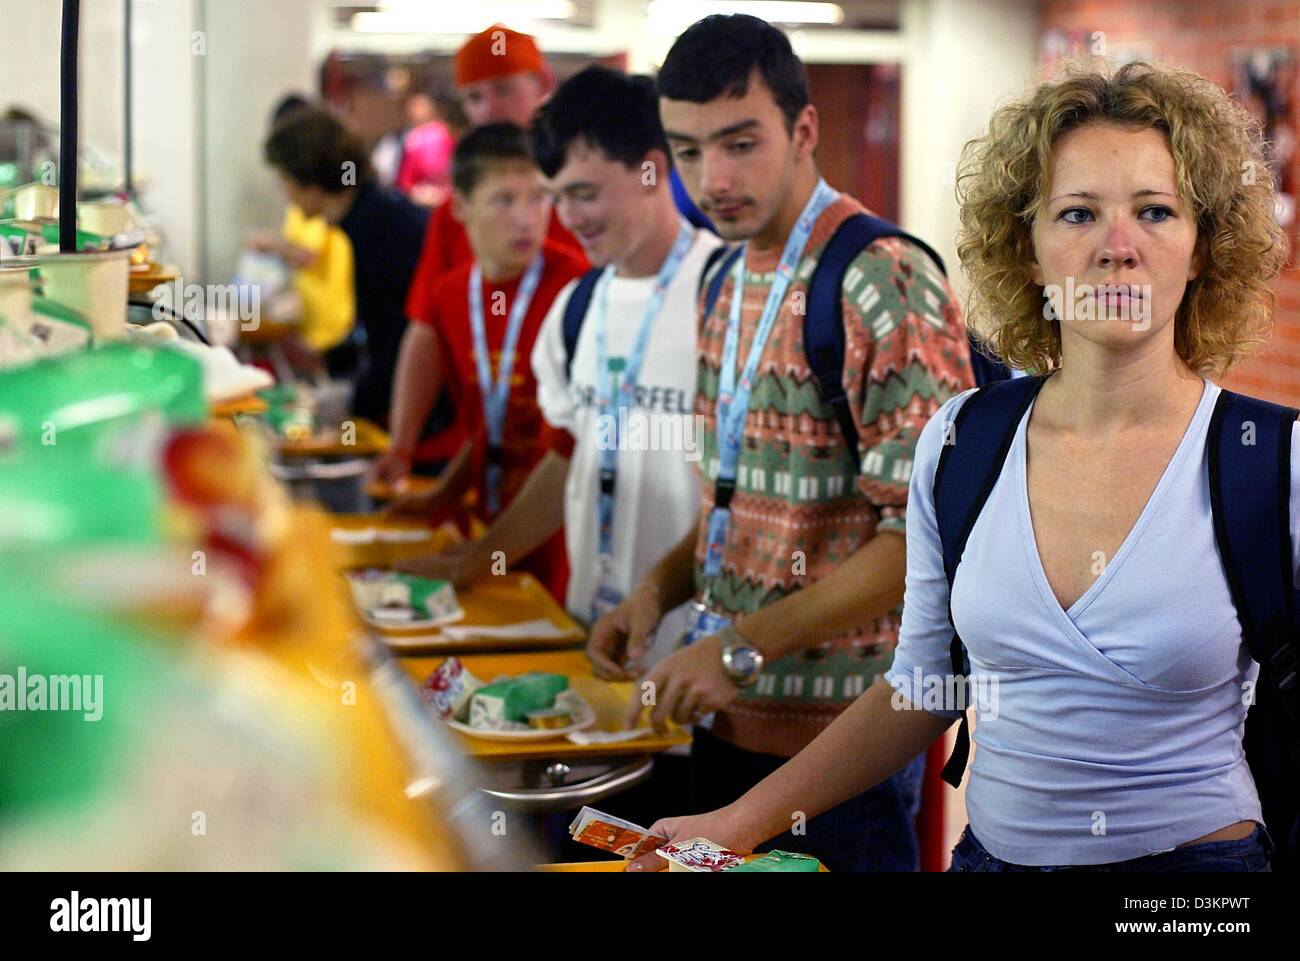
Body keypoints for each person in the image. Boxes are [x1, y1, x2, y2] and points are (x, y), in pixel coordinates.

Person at [629, 59, 1293, 874]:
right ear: (1030, 250)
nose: (1118, 247)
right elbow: (920, 688)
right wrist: (740, 820)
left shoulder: (1272, 462)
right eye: (1078, 213)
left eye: (1155, 211)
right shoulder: (963, 440)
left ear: (1201, 247)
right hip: (984, 861)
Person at [588, 15, 974, 872]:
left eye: (739, 143)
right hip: (729, 726)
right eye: (687, 151)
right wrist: (656, 590)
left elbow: (924, 540)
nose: (712, 178)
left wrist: (742, 644)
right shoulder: (725, 278)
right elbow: (737, 500)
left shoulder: (885, 278)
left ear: (804, 131)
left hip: (845, 752)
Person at [407, 65, 719, 634]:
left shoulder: (728, 295)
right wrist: (476, 559)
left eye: (585, 193)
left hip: (700, 657)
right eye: (558, 197)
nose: (569, 219)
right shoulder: (577, 307)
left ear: (652, 169)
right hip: (589, 632)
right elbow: (565, 456)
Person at [373, 24, 587, 489]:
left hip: (567, 453)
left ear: (543, 86)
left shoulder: (583, 194)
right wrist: (402, 443)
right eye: (473, 98)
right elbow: (425, 328)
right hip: (479, 449)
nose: (488, 109)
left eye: (502, 90)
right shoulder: (456, 211)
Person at [392, 123, 587, 602]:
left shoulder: (578, 287)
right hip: (487, 529)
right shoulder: (452, 295)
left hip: (562, 538)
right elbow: (487, 418)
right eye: (504, 200)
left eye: (539, 197)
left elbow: (575, 442)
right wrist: (443, 495)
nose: (527, 219)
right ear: (459, 207)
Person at [263, 107, 428, 426]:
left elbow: (408, 339)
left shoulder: (380, 229)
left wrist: (355, 398)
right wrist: (330, 358)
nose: (284, 193)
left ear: (310, 182)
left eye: (284, 180)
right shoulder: (369, 218)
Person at [249, 94, 356, 380]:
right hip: (309, 317)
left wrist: (274, 245)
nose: (284, 188)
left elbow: (309, 255)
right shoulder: (307, 208)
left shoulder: (345, 216)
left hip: (331, 321)